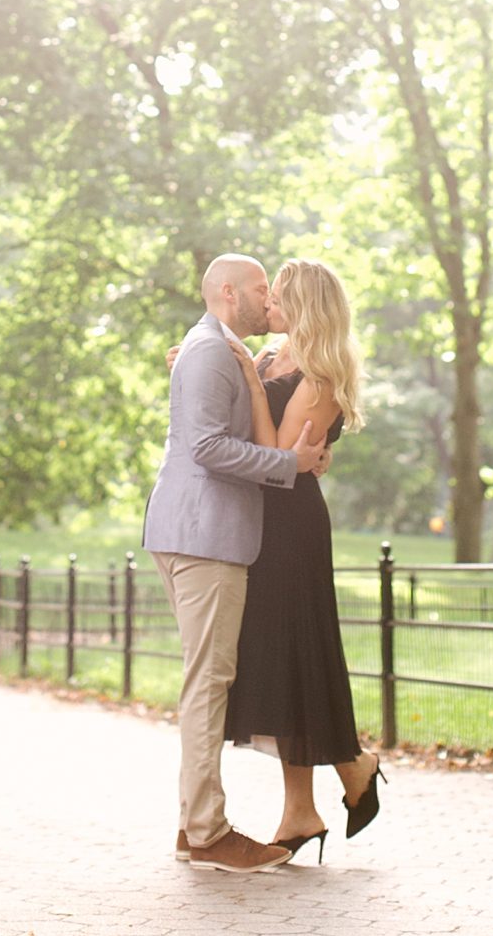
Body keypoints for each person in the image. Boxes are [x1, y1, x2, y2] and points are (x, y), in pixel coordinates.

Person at [141, 253, 325, 874]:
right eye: (257, 287)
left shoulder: (216, 350)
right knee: (208, 682)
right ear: (227, 292)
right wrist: (289, 467)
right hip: (204, 535)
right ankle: (207, 831)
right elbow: (207, 446)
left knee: (208, 679)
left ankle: (196, 825)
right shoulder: (211, 350)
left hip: (204, 533)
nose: (266, 296)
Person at [217, 258, 382, 863]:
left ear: (307, 306)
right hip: (260, 523)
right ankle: (317, 797)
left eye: (279, 296)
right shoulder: (267, 358)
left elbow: (277, 455)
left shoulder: (321, 376)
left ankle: (331, 787)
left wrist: (250, 382)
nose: (269, 305)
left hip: (292, 529)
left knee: (299, 653)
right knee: (284, 660)